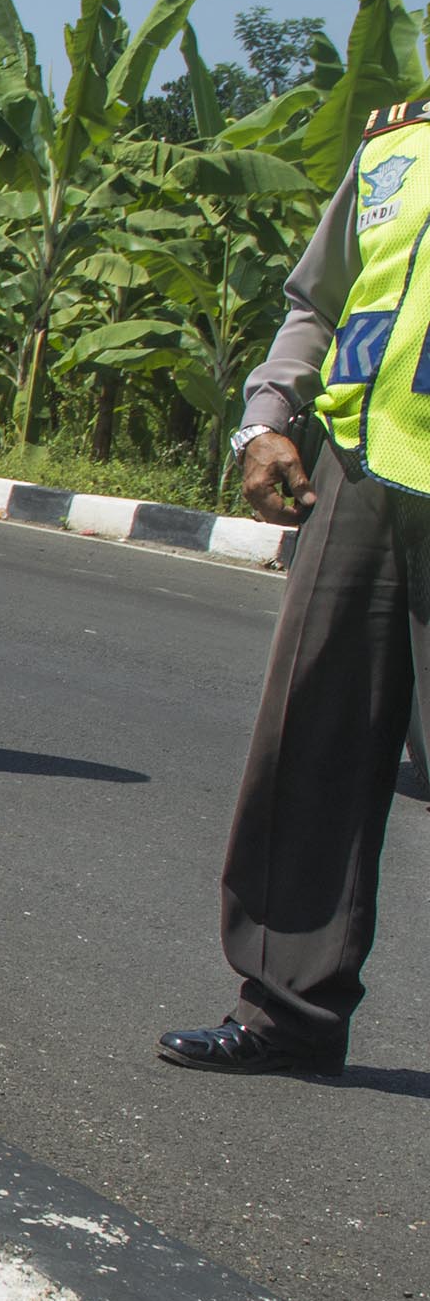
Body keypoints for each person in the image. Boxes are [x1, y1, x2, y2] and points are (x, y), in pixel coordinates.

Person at [159, 101, 430, 1079]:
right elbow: (320, 300)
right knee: (313, 737)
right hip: (361, 473)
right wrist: (269, 415)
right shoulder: (397, 143)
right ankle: (289, 1009)